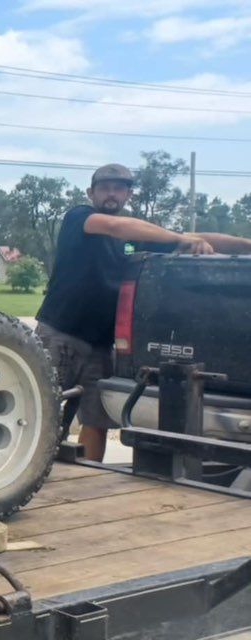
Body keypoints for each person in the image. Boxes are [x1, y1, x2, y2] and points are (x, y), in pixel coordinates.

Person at [34, 163, 251, 461]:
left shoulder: (135, 237)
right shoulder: (80, 217)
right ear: (91, 193)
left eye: (119, 188)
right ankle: (30, 473)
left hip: (101, 346)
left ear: (128, 195)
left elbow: (194, 236)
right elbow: (117, 227)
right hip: (60, 334)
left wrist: (245, 245)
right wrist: (180, 239)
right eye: (104, 188)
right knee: (40, 410)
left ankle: (86, 475)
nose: (111, 194)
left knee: (97, 421)